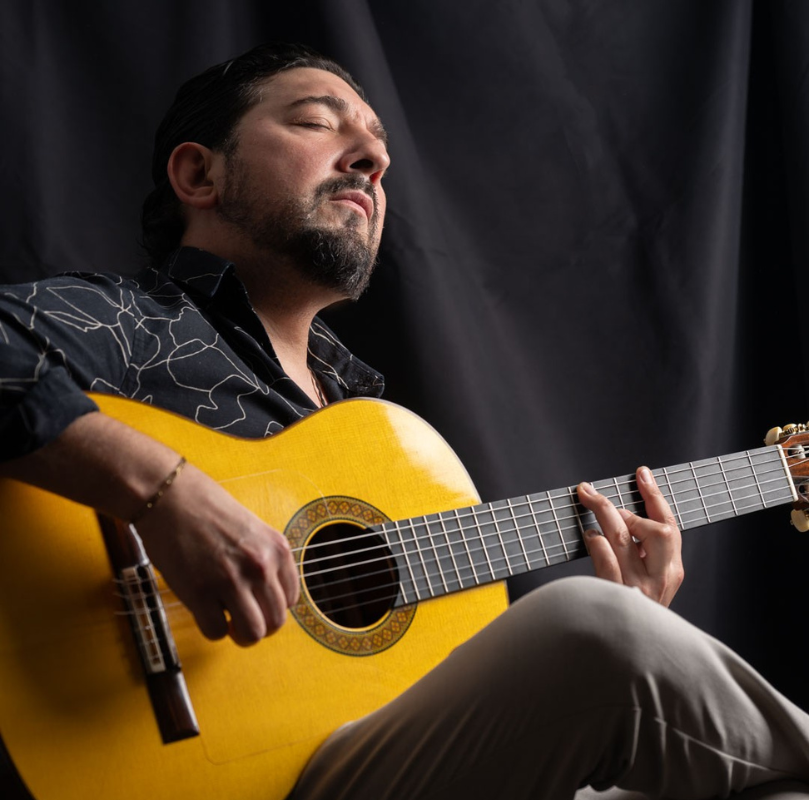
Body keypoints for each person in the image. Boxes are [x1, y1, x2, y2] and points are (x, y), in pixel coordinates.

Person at [1, 42, 808, 800]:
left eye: (378, 146)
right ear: (198, 174)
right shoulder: (126, 324)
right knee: (587, 623)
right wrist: (162, 491)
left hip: (349, 761)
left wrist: (640, 627)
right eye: (318, 122)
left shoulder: (373, 436)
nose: (372, 158)